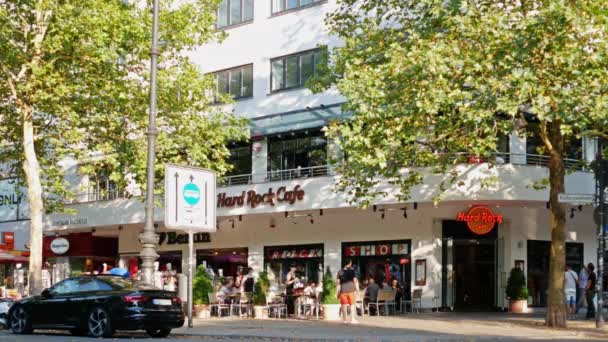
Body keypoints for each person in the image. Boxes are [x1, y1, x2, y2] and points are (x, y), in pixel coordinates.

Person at [337, 259, 359, 324]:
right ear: (350, 263)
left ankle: (345, 320)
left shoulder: (340, 271)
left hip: (343, 290)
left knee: (343, 305)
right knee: (352, 305)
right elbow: (355, 280)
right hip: (351, 289)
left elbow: (338, 283)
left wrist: (338, 292)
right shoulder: (352, 270)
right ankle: (352, 319)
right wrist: (357, 290)